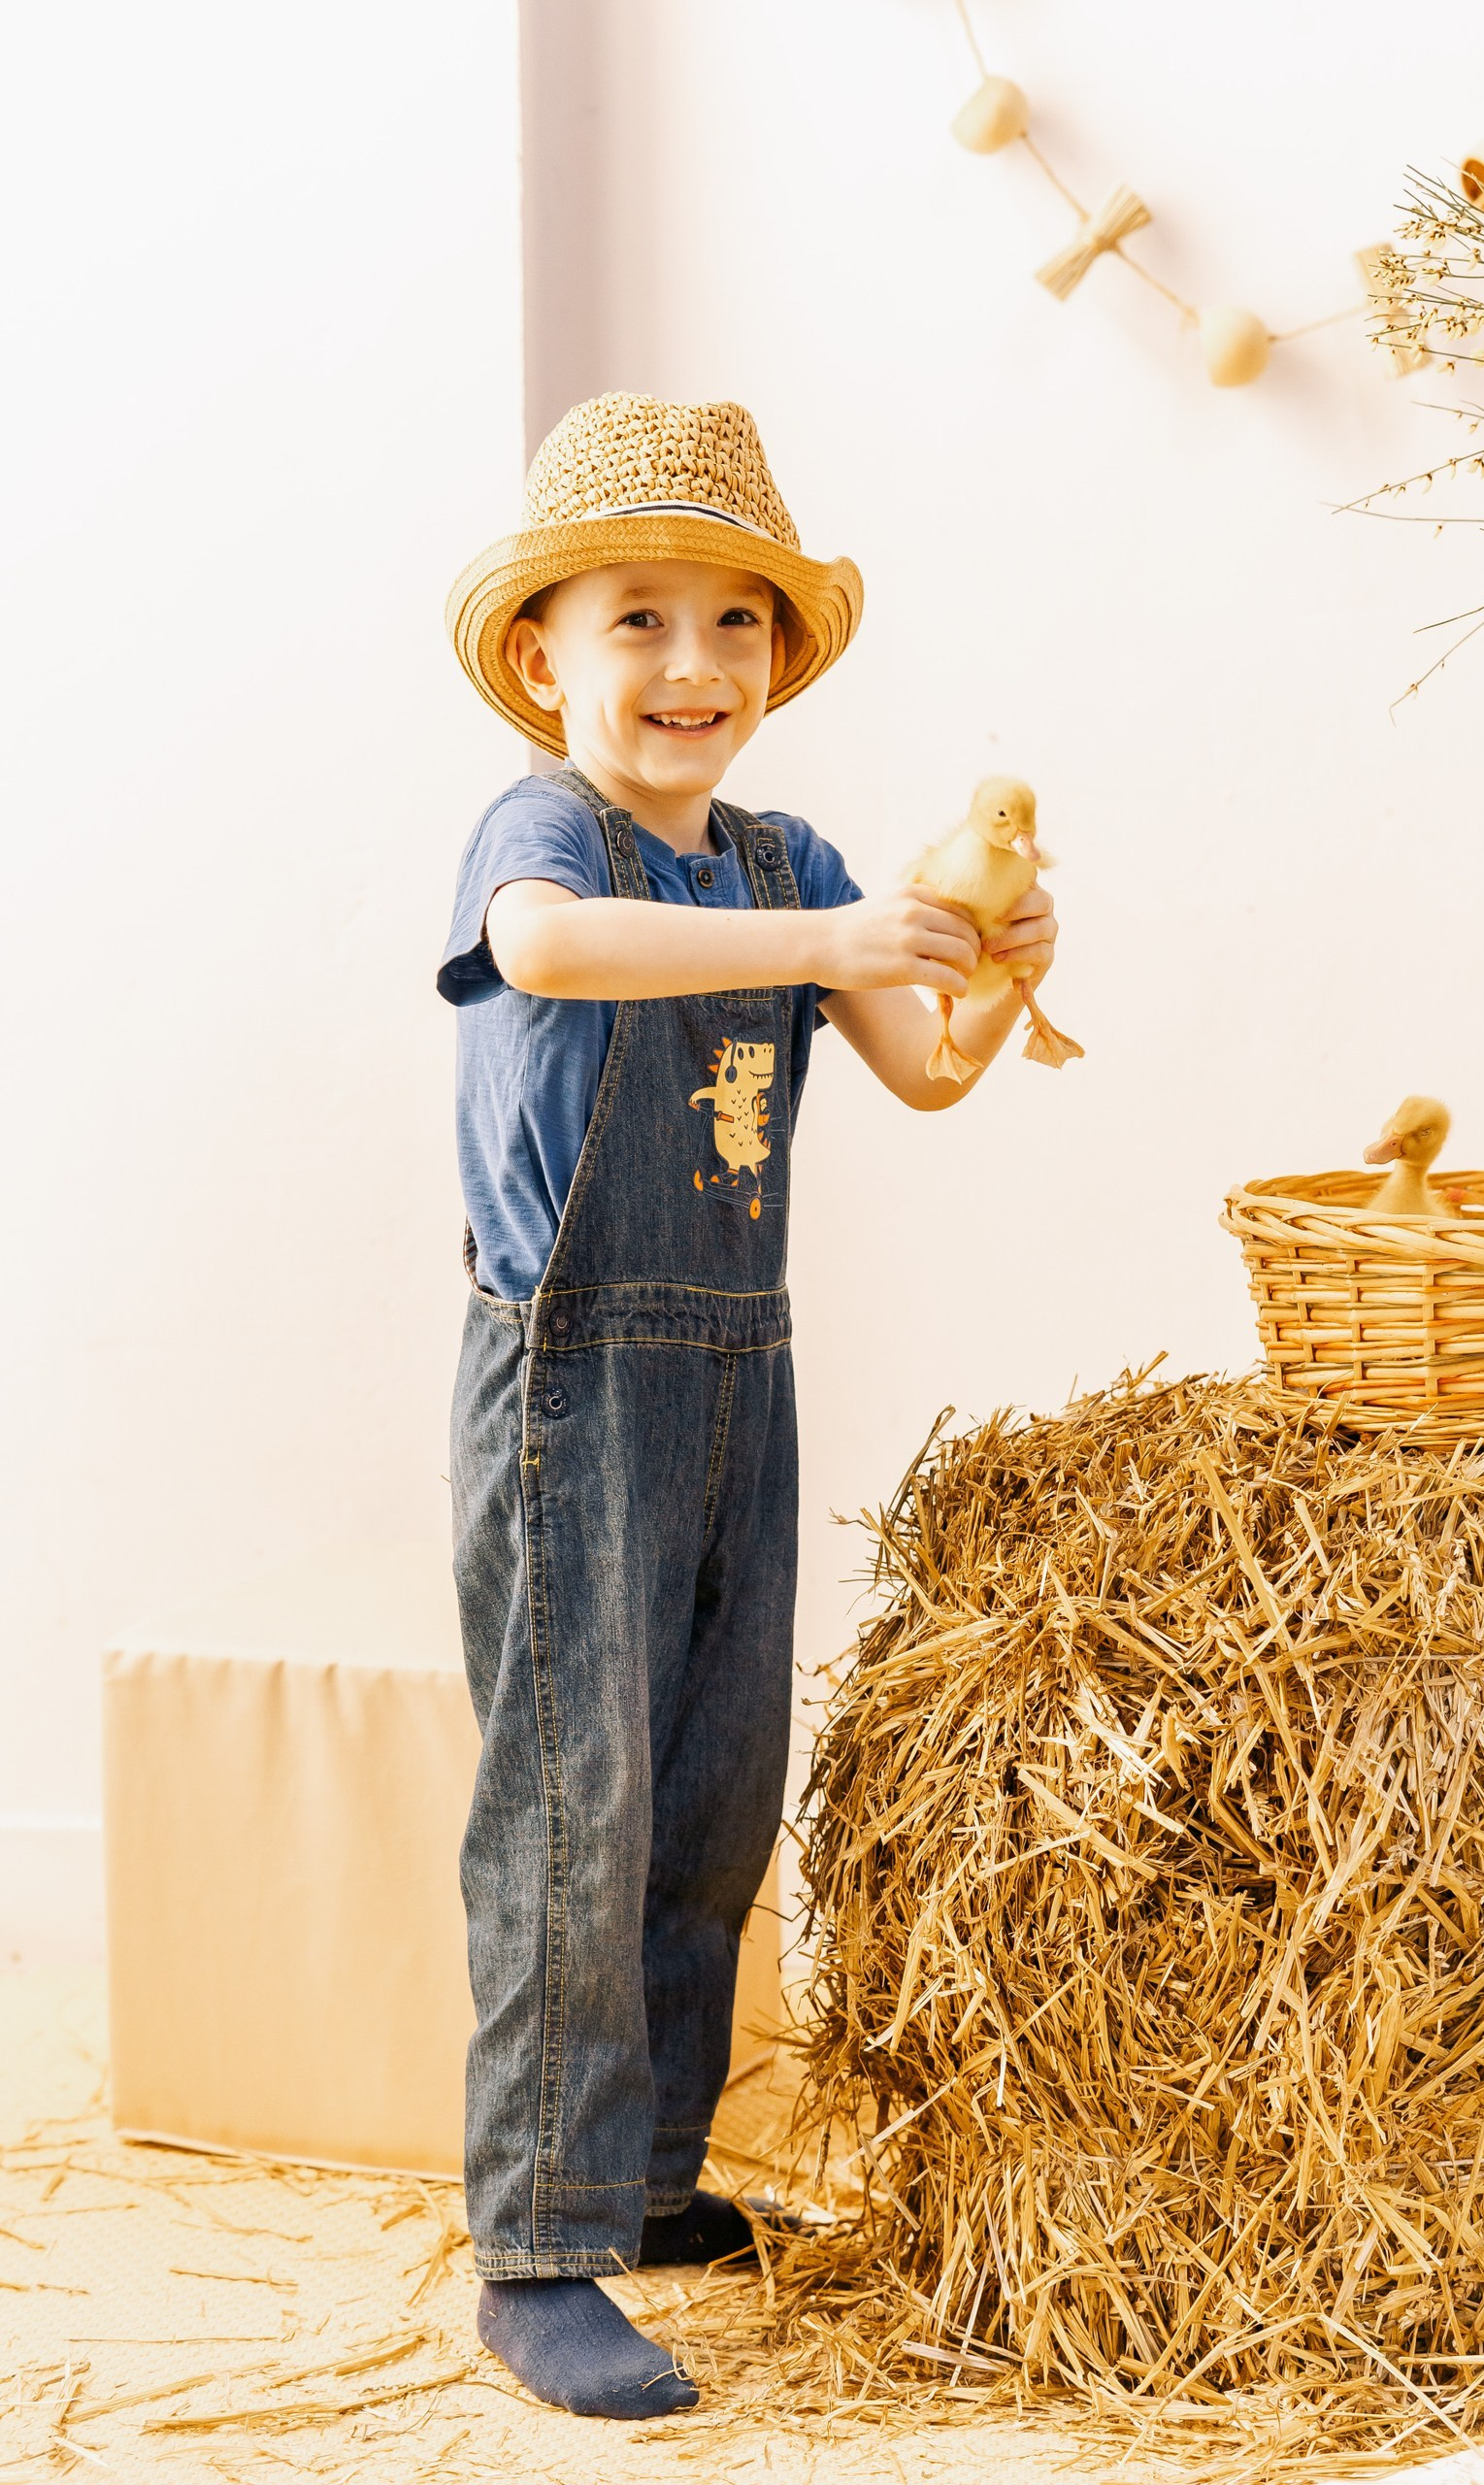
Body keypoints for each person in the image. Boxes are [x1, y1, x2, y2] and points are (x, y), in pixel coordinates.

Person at [438, 393, 1065, 2420]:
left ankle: (639, 2169)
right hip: (575, 1370)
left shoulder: (791, 856)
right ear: (546, 654)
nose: (692, 664)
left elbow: (931, 1069)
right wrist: (819, 934)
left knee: (707, 1792)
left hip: (738, 1361)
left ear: (776, 659)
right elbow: (546, 951)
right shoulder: (544, 835)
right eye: (637, 619)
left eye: (734, 624)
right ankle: (533, 2240)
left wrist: (981, 965)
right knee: (568, 1803)